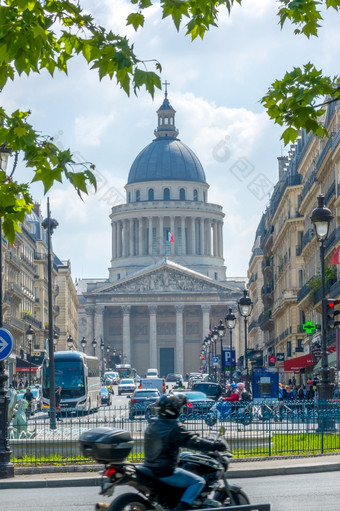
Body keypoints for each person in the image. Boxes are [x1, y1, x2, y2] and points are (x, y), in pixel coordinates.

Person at [144, 394, 225, 511]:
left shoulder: (153, 424)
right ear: (173, 410)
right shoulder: (174, 427)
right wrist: (214, 445)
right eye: (178, 408)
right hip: (166, 471)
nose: (180, 410)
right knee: (199, 481)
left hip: (150, 468)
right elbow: (194, 442)